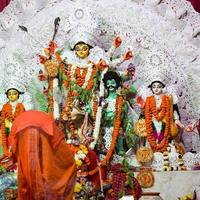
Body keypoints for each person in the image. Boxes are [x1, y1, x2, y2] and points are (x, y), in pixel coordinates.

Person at [9, 110, 77, 200]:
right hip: (41, 129)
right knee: (45, 165)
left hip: (22, 130)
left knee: (26, 170)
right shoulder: (45, 119)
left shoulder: (21, 120)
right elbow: (65, 156)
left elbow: (13, 148)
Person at [144, 80, 184, 152]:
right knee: (153, 138)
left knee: (164, 138)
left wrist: (177, 119)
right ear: (151, 88)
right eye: (154, 87)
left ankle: (164, 153)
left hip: (165, 121)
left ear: (163, 87)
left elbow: (173, 109)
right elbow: (146, 112)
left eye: (159, 87)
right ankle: (154, 152)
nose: (156, 89)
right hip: (153, 122)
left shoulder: (167, 98)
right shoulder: (148, 99)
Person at [1, 88, 25, 156]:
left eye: (14, 93)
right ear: (7, 96)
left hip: (19, 132)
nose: (11, 96)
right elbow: (3, 122)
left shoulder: (21, 106)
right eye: (9, 94)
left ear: (18, 95)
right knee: (9, 148)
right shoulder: (5, 106)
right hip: (8, 131)